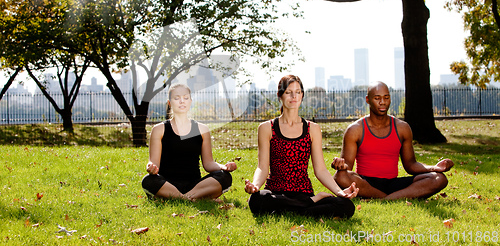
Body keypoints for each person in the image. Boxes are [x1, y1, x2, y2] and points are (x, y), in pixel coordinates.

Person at [244, 75, 358, 218]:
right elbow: (262, 167)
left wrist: (339, 192)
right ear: (280, 95)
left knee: (347, 206)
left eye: (298, 92)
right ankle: (312, 203)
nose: (294, 96)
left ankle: (292, 208)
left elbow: (321, 170)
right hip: (275, 191)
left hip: (303, 192)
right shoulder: (267, 128)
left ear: (302, 95)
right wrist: (255, 186)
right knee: (256, 200)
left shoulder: (312, 129)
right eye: (288, 92)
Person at [331, 81, 454, 200]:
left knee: (439, 178)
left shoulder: (402, 128)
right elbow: (347, 168)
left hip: (394, 184)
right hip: (365, 183)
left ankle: (384, 199)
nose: (382, 102)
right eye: (377, 98)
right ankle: (392, 197)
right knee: (340, 176)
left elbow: (411, 165)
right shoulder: (355, 129)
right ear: (368, 100)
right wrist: (340, 165)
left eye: (386, 97)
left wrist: (434, 168)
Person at [142, 83, 236, 201]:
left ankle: (181, 198)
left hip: (195, 185)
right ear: (170, 103)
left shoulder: (203, 129)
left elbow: (208, 164)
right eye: (177, 98)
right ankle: (195, 198)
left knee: (225, 177)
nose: (182, 101)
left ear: (190, 101)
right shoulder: (159, 129)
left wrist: (224, 167)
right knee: (148, 180)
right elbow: (153, 163)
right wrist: (150, 167)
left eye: (185, 98)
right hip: (167, 184)